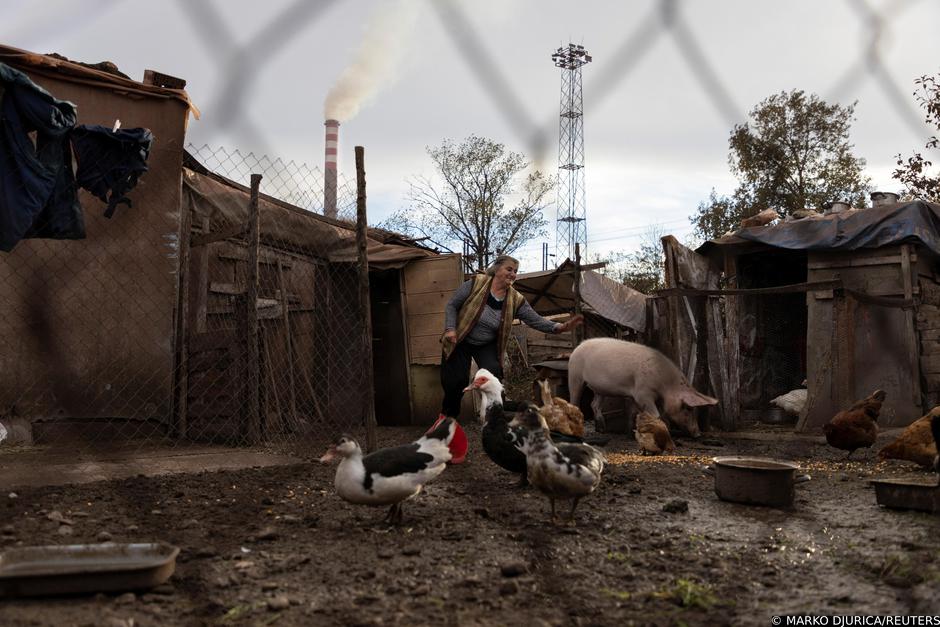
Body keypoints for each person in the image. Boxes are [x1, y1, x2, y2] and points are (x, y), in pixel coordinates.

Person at [440, 254, 584, 418]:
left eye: (515, 271)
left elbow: (534, 320)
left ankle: (496, 415)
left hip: (485, 343)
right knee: (456, 381)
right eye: (509, 269)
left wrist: (560, 327)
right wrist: (450, 328)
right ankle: (448, 418)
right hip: (461, 338)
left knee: (493, 374)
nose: (513, 274)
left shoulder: (515, 299)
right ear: (496, 269)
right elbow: (452, 305)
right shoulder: (475, 283)